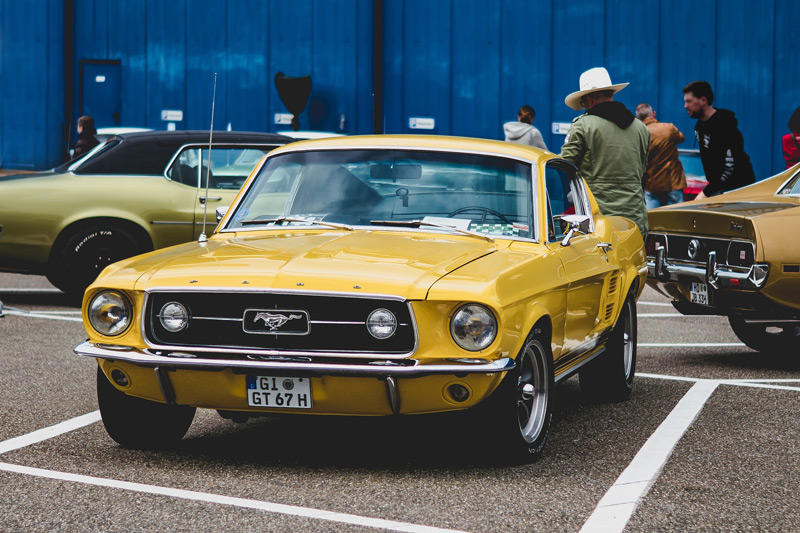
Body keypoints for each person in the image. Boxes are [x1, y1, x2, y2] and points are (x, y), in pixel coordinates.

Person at [559, 67, 650, 235]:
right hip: (635, 222)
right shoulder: (640, 128)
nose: (584, 107)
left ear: (591, 99)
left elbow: (564, 167)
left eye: (583, 103)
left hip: (598, 223)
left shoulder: (583, 125)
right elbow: (643, 171)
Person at [682, 81, 754, 199]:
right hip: (719, 189)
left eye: (688, 101)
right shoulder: (700, 127)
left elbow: (730, 168)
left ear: (703, 100)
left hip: (738, 190)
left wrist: (706, 193)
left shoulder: (725, 127)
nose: (685, 106)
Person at [635, 103, 686, 208]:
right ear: (654, 114)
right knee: (676, 220)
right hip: (673, 183)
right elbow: (681, 138)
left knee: (653, 220)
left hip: (651, 186)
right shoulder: (669, 128)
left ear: (638, 118)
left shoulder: (638, 134)